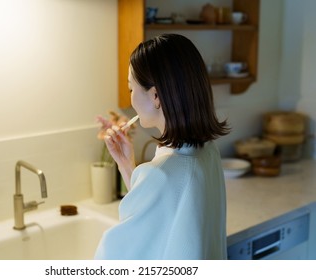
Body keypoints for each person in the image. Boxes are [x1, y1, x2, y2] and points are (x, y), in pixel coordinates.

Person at [94, 34, 230, 260]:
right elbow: (161, 211)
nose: (131, 99)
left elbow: (119, 254)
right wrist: (126, 164)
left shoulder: (164, 173)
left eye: (131, 89)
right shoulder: (207, 151)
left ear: (156, 96)